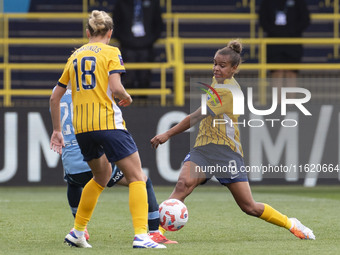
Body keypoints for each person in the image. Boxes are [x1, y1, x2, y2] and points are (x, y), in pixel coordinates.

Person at [150, 39, 315, 240]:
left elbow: (196, 116)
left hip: (226, 153)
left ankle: (291, 223)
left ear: (234, 68)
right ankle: (157, 233)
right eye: (214, 63)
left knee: (249, 207)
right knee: (183, 184)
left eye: (222, 65)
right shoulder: (217, 81)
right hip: (203, 150)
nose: (216, 68)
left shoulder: (228, 91)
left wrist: (167, 133)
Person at [50, 10, 165, 249]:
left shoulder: (75, 56)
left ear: (88, 32)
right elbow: (116, 86)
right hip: (108, 123)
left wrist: (57, 130)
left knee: (100, 177)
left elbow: (55, 97)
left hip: (82, 128)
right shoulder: (112, 51)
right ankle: (142, 236)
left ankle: (77, 232)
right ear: (110, 33)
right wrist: (127, 97)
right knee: (137, 178)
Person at [58, 88, 177, 244]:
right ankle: (153, 233)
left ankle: (79, 229)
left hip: (70, 159)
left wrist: (55, 131)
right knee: (141, 180)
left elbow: (54, 102)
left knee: (73, 182)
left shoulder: (57, 92)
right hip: (90, 153)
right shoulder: (91, 89)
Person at [259, 0, 310, 97]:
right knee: (276, 73)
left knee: (291, 73)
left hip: (293, 42)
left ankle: (291, 105)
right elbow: (263, 20)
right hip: (273, 42)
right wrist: (275, 32)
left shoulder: (298, 2)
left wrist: (291, 31)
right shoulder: (267, 2)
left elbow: (305, 19)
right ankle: (278, 105)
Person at [112, 0, 164, 90]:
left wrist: (150, 40)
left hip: (147, 46)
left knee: (144, 77)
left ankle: (143, 101)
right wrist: (124, 40)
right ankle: (128, 101)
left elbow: (158, 24)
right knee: (128, 77)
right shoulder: (121, 3)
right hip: (127, 46)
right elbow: (115, 24)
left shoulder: (153, 2)